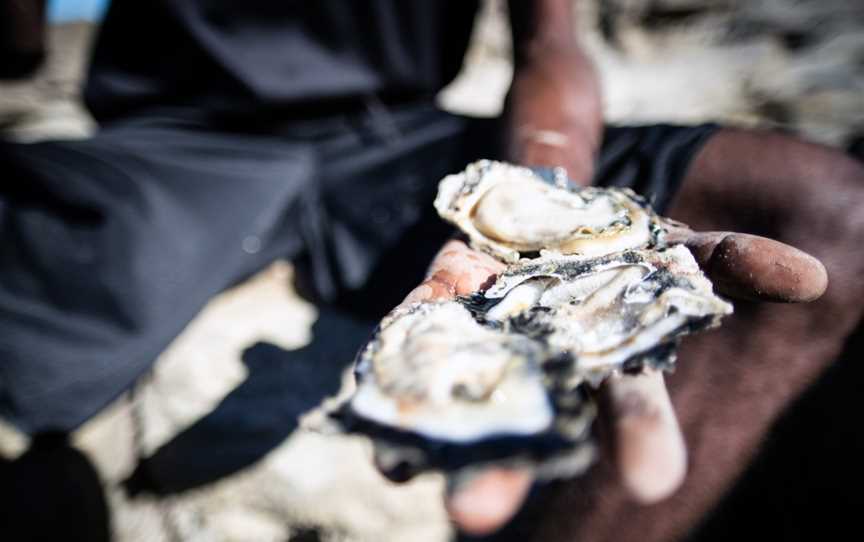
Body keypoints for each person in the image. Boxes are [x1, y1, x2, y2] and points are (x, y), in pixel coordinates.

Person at [1, 1, 862, 540]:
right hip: (178, 150)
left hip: (393, 143)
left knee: (830, 218)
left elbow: (549, 39)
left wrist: (545, 198)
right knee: (27, 375)